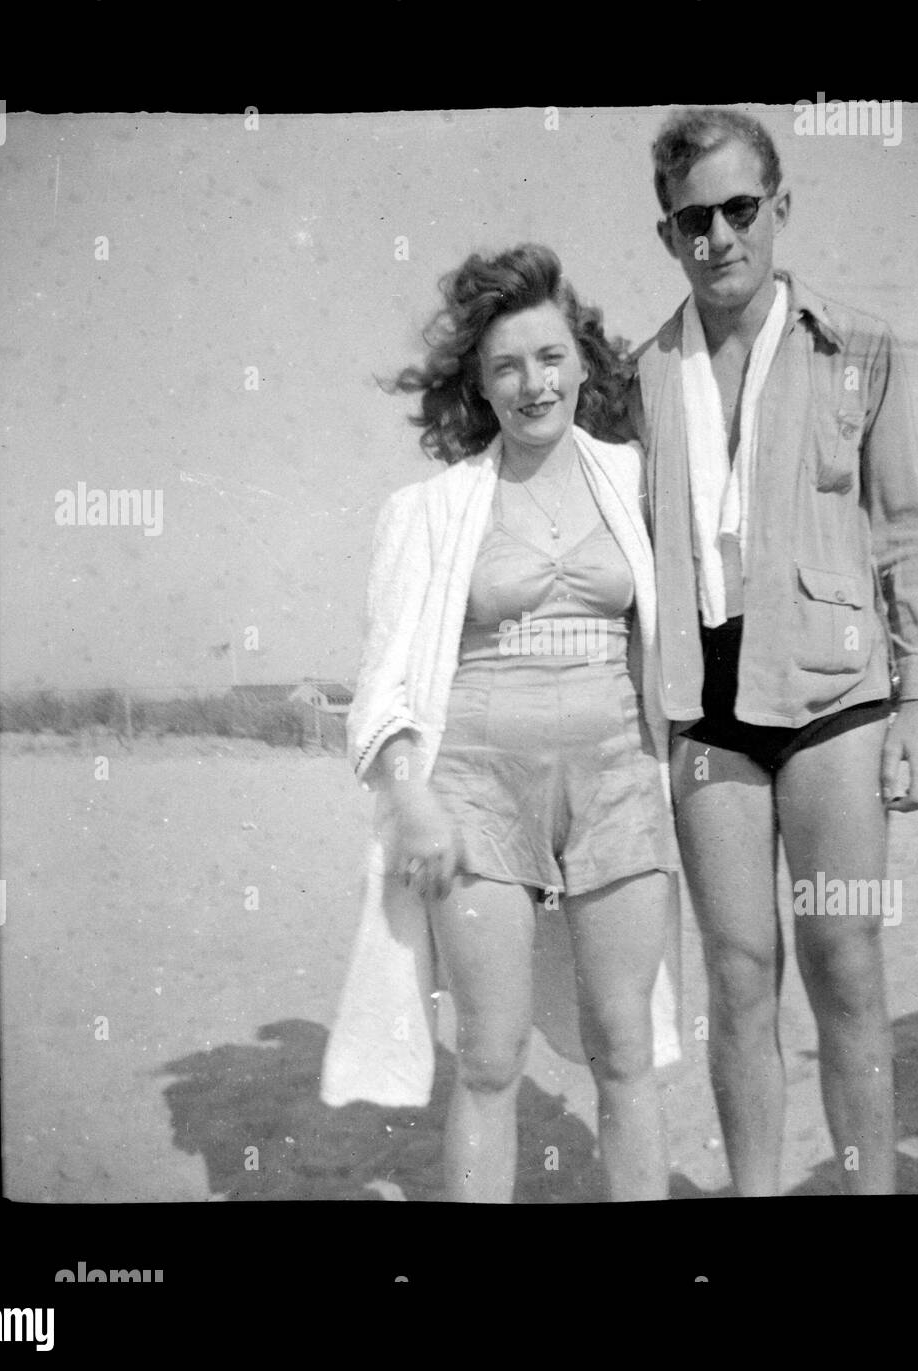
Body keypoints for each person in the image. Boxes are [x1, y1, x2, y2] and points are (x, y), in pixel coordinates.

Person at [627, 107, 918, 1196]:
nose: (718, 236)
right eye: (691, 220)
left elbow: (902, 531)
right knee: (738, 971)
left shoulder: (854, 346)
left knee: (845, 964)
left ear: (779, 207)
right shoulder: (642, 376)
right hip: (704, 708)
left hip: (833, 700)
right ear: (668, 234)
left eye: (737, 209)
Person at [319, 244, 682, 1203]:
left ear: (583, 361)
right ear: (479, 387)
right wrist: (412, 801)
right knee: (488, 1055)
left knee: (626, 1048)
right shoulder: (432, 510)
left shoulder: (638, 481)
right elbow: (382, 687)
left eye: (550, 357)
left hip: (617, 779)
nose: (533, 383)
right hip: (476, 789)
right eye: (507, 366)